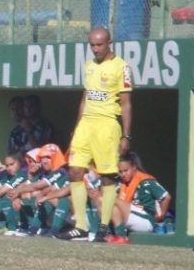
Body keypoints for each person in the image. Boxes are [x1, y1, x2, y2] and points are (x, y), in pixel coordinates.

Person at [57, 27, 132, 242]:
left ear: (109, 42)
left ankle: (103, 227)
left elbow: (126, 104)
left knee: (107, 177)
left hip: (107, 125)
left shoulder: (121, 67)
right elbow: (85, 98)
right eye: (92, 44)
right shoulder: (89, 66)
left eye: (99, 44)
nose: (95, 49)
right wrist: (77, 127)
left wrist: (126, 135)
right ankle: (80, 226)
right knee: (74, 171)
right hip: (86, 126)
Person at [108, 152, 172, 245]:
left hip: (146, 219)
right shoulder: (120, 183)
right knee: (106, 202)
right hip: (131, 215)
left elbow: (166, 197)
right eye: (120, 171)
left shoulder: (146, 181)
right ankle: (112, 233)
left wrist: (160, 216)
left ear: (134, 168)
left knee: (111, 199)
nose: (123, 174)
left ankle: (122, 236)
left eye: (126, 170)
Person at [0, 96, 24, 186]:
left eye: (18, 109)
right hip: (15, 164)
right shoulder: (15, 131)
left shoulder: (41, 127)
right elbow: (10, 152)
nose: (16, 112)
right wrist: (7, 165)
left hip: (28, 166)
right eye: (12, 109)